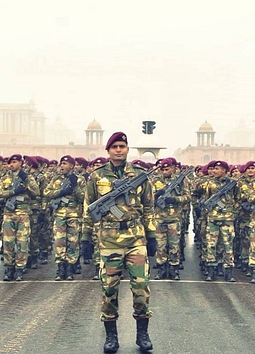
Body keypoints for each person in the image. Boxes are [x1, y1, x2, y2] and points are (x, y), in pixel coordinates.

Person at [81, 132, 156, 353]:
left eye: (122, 146)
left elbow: (149, 208)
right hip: (109, 241)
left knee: (141, 288)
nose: (119, 150)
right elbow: (89, 209)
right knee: (109, 290)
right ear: (108, 150)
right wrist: (86, 237)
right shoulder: (96, 177)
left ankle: (142, 334)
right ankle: (111, 337)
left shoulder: (140, 175)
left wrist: (151, 235)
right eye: (114, 146)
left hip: (136, 239)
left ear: (127, 149)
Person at [0, 154, 40, 281]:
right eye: (10, 162)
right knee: (8, 242)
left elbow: (36, 192)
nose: (11, 165)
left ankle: (20, 268)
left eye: (14, 162)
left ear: (20, 163)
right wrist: (13, 192)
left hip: (23, 214)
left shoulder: (27, 177)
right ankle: (9, 268)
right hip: (8, 214)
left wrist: (26, 181)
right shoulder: (5, 177)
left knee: (22, 243)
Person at [43, 155, 86, 280]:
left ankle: (70, 268)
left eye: (65, 164)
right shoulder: (56, 179)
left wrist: (75, 187)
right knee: (59, 242)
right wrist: (61, 192)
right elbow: (46, 193)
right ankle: (60, 267)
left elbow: (83, 198)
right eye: (61, 163)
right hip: (59, 215)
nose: (62, 166)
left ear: (72, 166)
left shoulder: (79, 180)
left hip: (74, 215)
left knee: (73, 242)